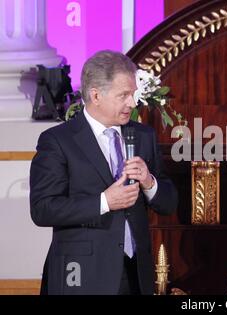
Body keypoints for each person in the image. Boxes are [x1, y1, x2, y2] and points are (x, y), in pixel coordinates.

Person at [30, 50, 178, 295]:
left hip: (135, 274)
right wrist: (104, 202)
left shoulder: (143, 136)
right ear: (96, 95)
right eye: (124, 95)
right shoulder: (58, 141)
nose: (132, 103)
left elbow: (169, 203)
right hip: (82, 275)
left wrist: (149, 182)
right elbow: (43, 209)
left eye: (133, 94)